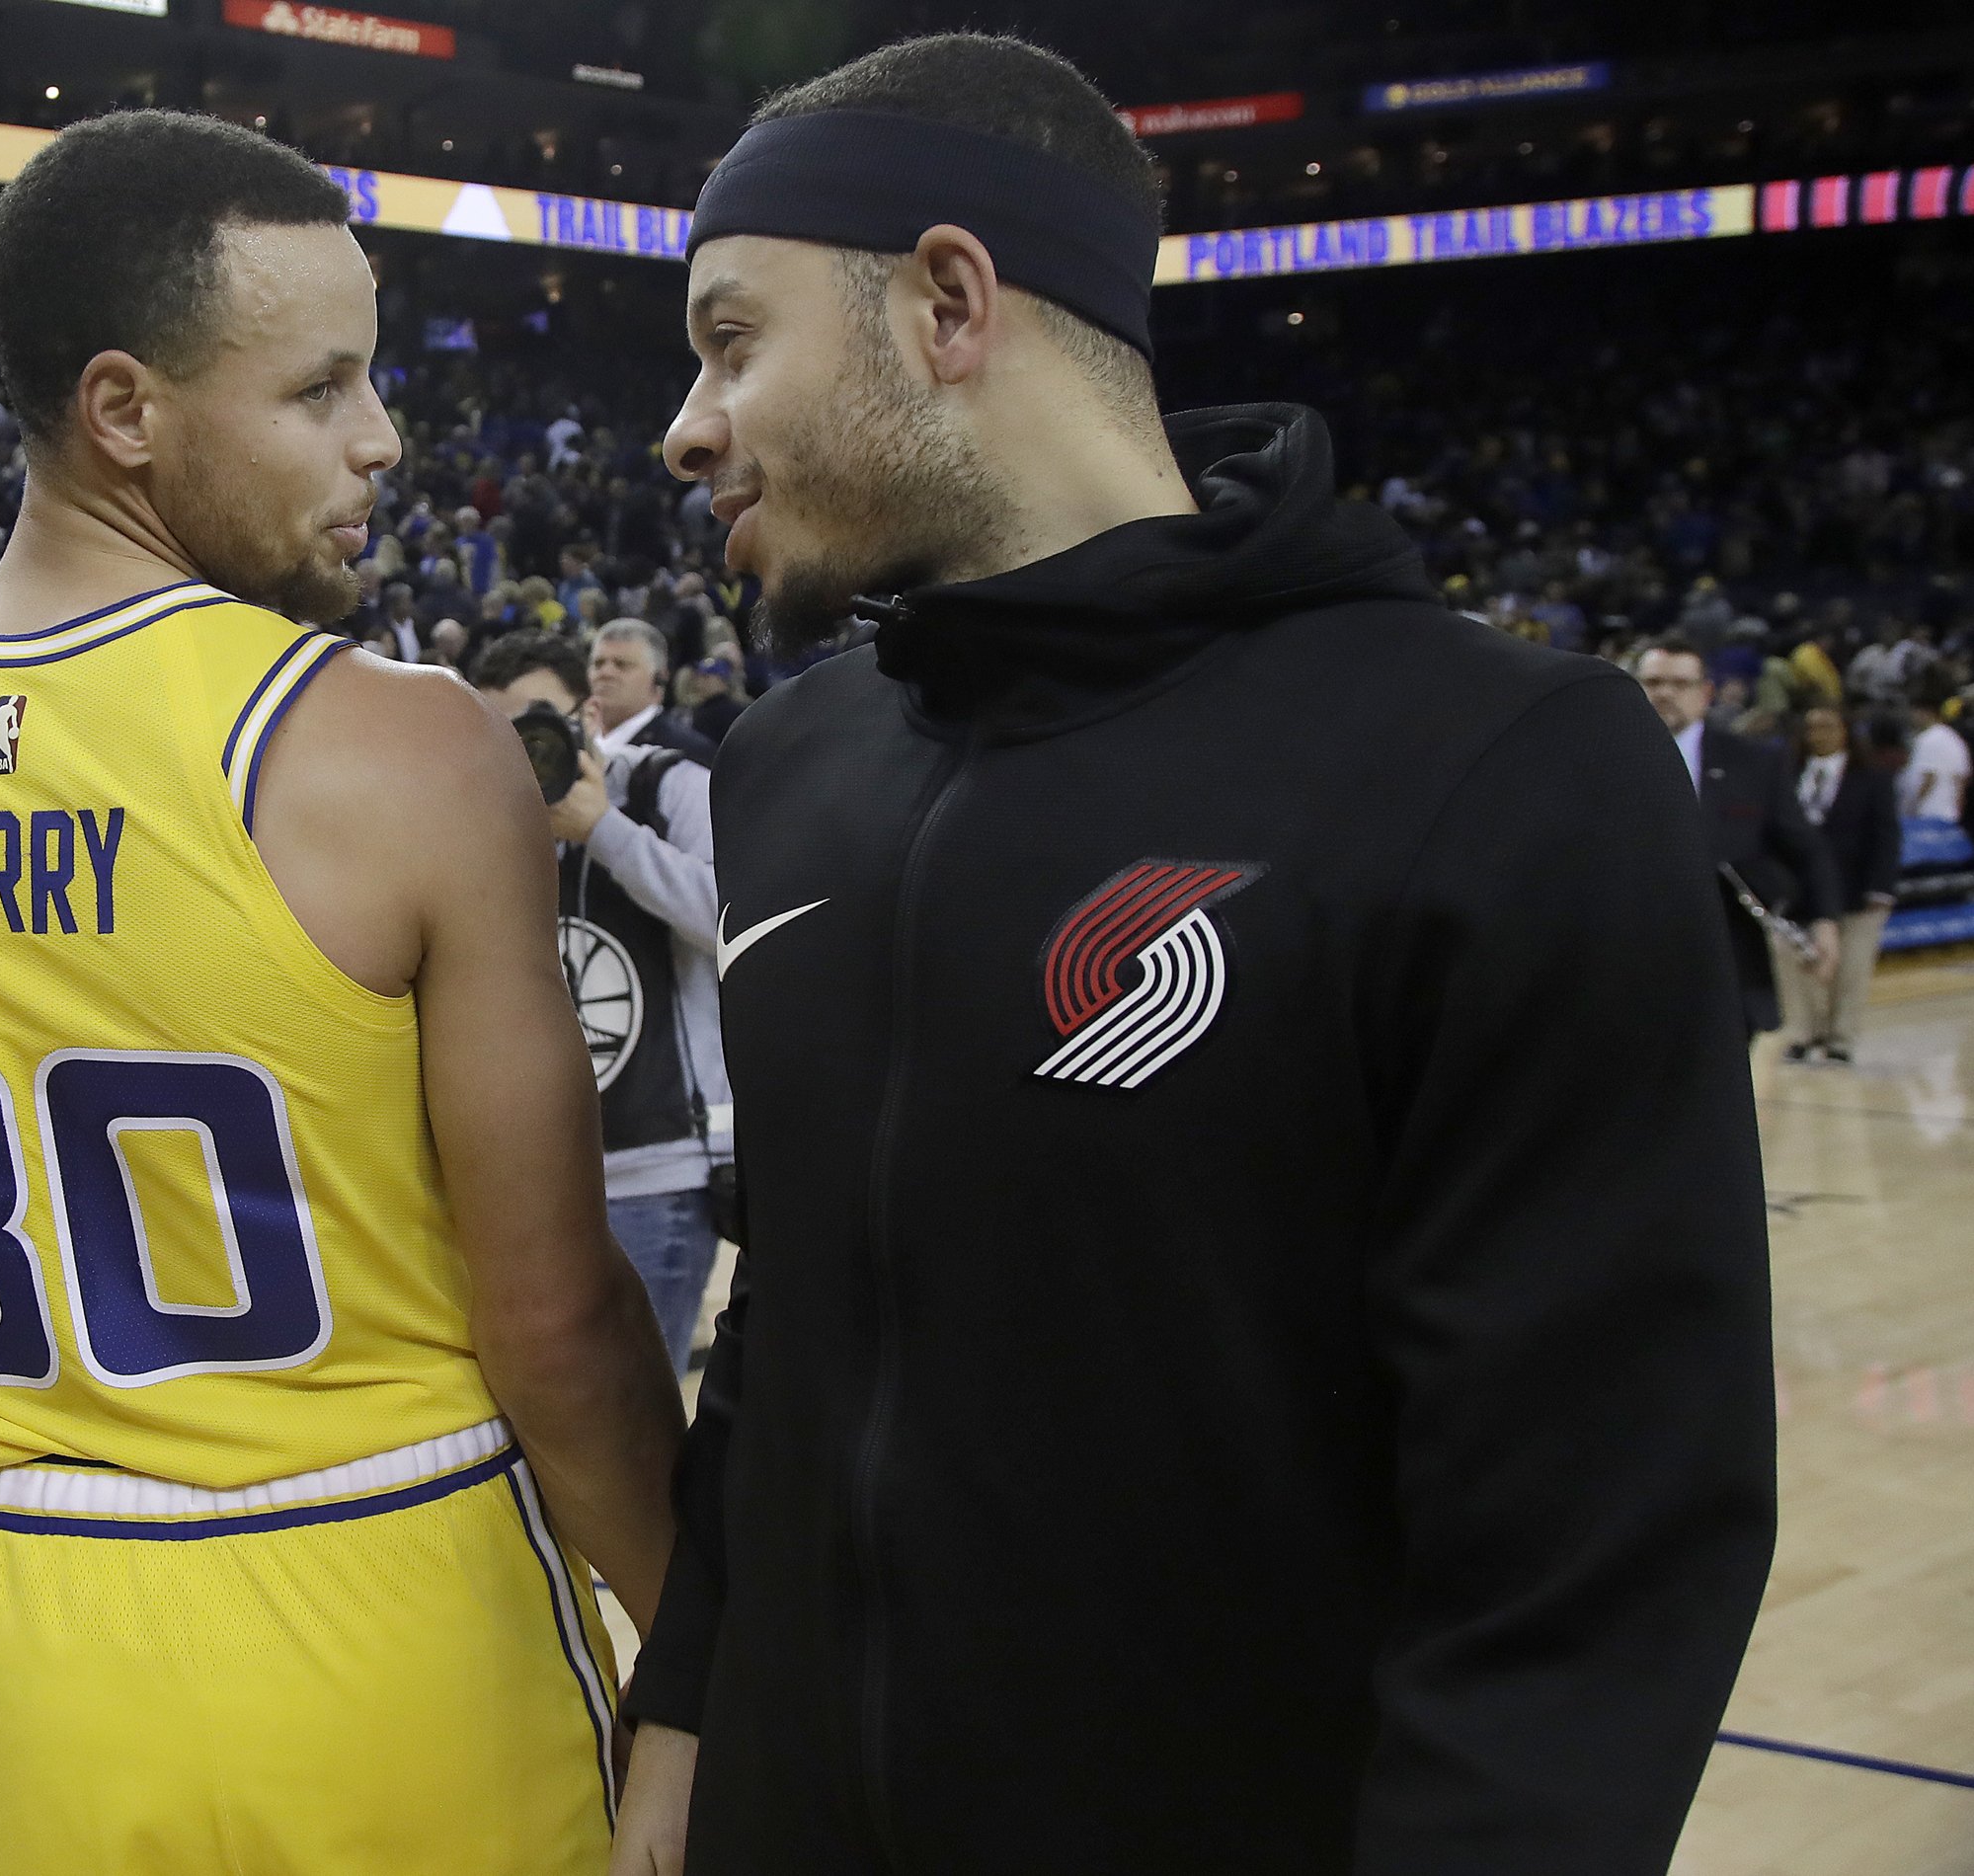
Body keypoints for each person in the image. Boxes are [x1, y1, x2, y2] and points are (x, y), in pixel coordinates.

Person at [615, 35, 1777, 1876]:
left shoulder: (1501, 767)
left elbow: (1594, 1537)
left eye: (730, 339)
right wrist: (685, 1695)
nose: (684, 425)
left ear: (944, 302)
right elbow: (798, 1306)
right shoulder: (787, 767)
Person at [0, 110, 679, 1876]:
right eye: (321, 390)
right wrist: (700, 1655)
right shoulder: (401, 744)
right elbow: (554, 1330)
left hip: (43, 1646)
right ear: (124, 411)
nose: (382, 441)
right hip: (402, 1621)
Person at [474, 630, 735, 1371]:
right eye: (495, 730)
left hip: (657, 1167)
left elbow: (732, 917)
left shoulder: (664, 786)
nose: (520, 751)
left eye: (535, 723)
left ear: (583, 714)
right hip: (530, 1177)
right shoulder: (483, 816)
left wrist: (605, 833)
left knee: (636, 1421)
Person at [1636, 640, 1843, 1039]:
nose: (1664, 693)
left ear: (1705, 693)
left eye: (1679, 684)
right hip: (1629, 960)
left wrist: (1825, 920)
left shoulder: (1752, 762)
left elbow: (1803, 847)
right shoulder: (1598, 760)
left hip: (1727, 961)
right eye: (1653, 682)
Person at [1782, 705, 1901, 1064]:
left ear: (1846, 731)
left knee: (1850, 968)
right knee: (1795, 964)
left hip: (1857, 889)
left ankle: (1840, 1040)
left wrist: (1881, 887)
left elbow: (1886, 837)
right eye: (1812, 727)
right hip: (1797, 890)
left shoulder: (1872, 778)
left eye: (1828, 727)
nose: (1819, 734)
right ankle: (1804, 1032)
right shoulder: (1787, 775)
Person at [590, 618, 718, 763]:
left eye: (622, 665)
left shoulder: (688, 754)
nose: (605, 673)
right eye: (598, 664)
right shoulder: (572, 743)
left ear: (659, 679)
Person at [1898, 680, 1969, 823]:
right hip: (1949, 815)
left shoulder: (1928, 739)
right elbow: (1960, 781)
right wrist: (1957, 812)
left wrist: (1910, 810)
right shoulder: (1955, 739)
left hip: (1926, 815)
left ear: (1926, 713)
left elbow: (1928, 778)